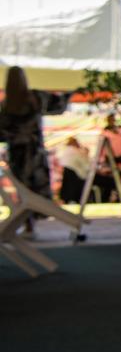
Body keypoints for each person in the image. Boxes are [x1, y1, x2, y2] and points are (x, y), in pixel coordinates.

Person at [0, 66, 68, 233]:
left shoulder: (7, 106)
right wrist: (71, 92)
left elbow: (2, 133)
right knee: (36, 190)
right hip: (35, 153)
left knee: (23, 191)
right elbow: (58, 105)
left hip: (18, 155)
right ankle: (33, 220)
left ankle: (28, 222)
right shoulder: (36, 98)